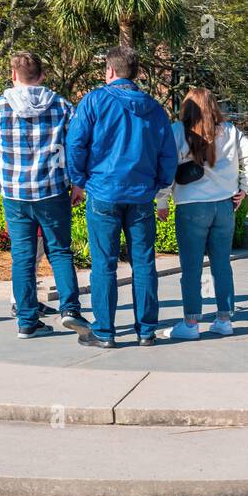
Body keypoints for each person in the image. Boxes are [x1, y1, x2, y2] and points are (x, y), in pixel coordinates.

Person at [66, 45, 176, 349]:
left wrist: (79, 180)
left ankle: (105, 331)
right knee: (144, 263)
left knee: (104, 264)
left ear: (110, 72)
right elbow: (168, 154)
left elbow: (76, 144)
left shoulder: (94, 101)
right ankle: (146, 330)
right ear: (135, 73)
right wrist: (159, 184)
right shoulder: (154, 108)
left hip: (103, 191)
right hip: (140, 194)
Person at [0, 51, 90, 340]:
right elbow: (77, 147)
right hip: (52, 190)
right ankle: (70, 310)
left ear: (13, 76)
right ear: (42, 76)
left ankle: (27, 320)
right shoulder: (63, 106)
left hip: (15, 194)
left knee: (22, 257)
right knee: (60, 251)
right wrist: (78, 184)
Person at [156, 88, 248, 341]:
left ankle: (191, 323)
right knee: (222, 265)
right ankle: (224, 319)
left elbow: (166, 168)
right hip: (224, 205)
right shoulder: (229, 131)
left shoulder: (178, 130)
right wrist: (244, 186)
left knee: (191, 267)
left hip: (192, 206)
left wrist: (162, 201)